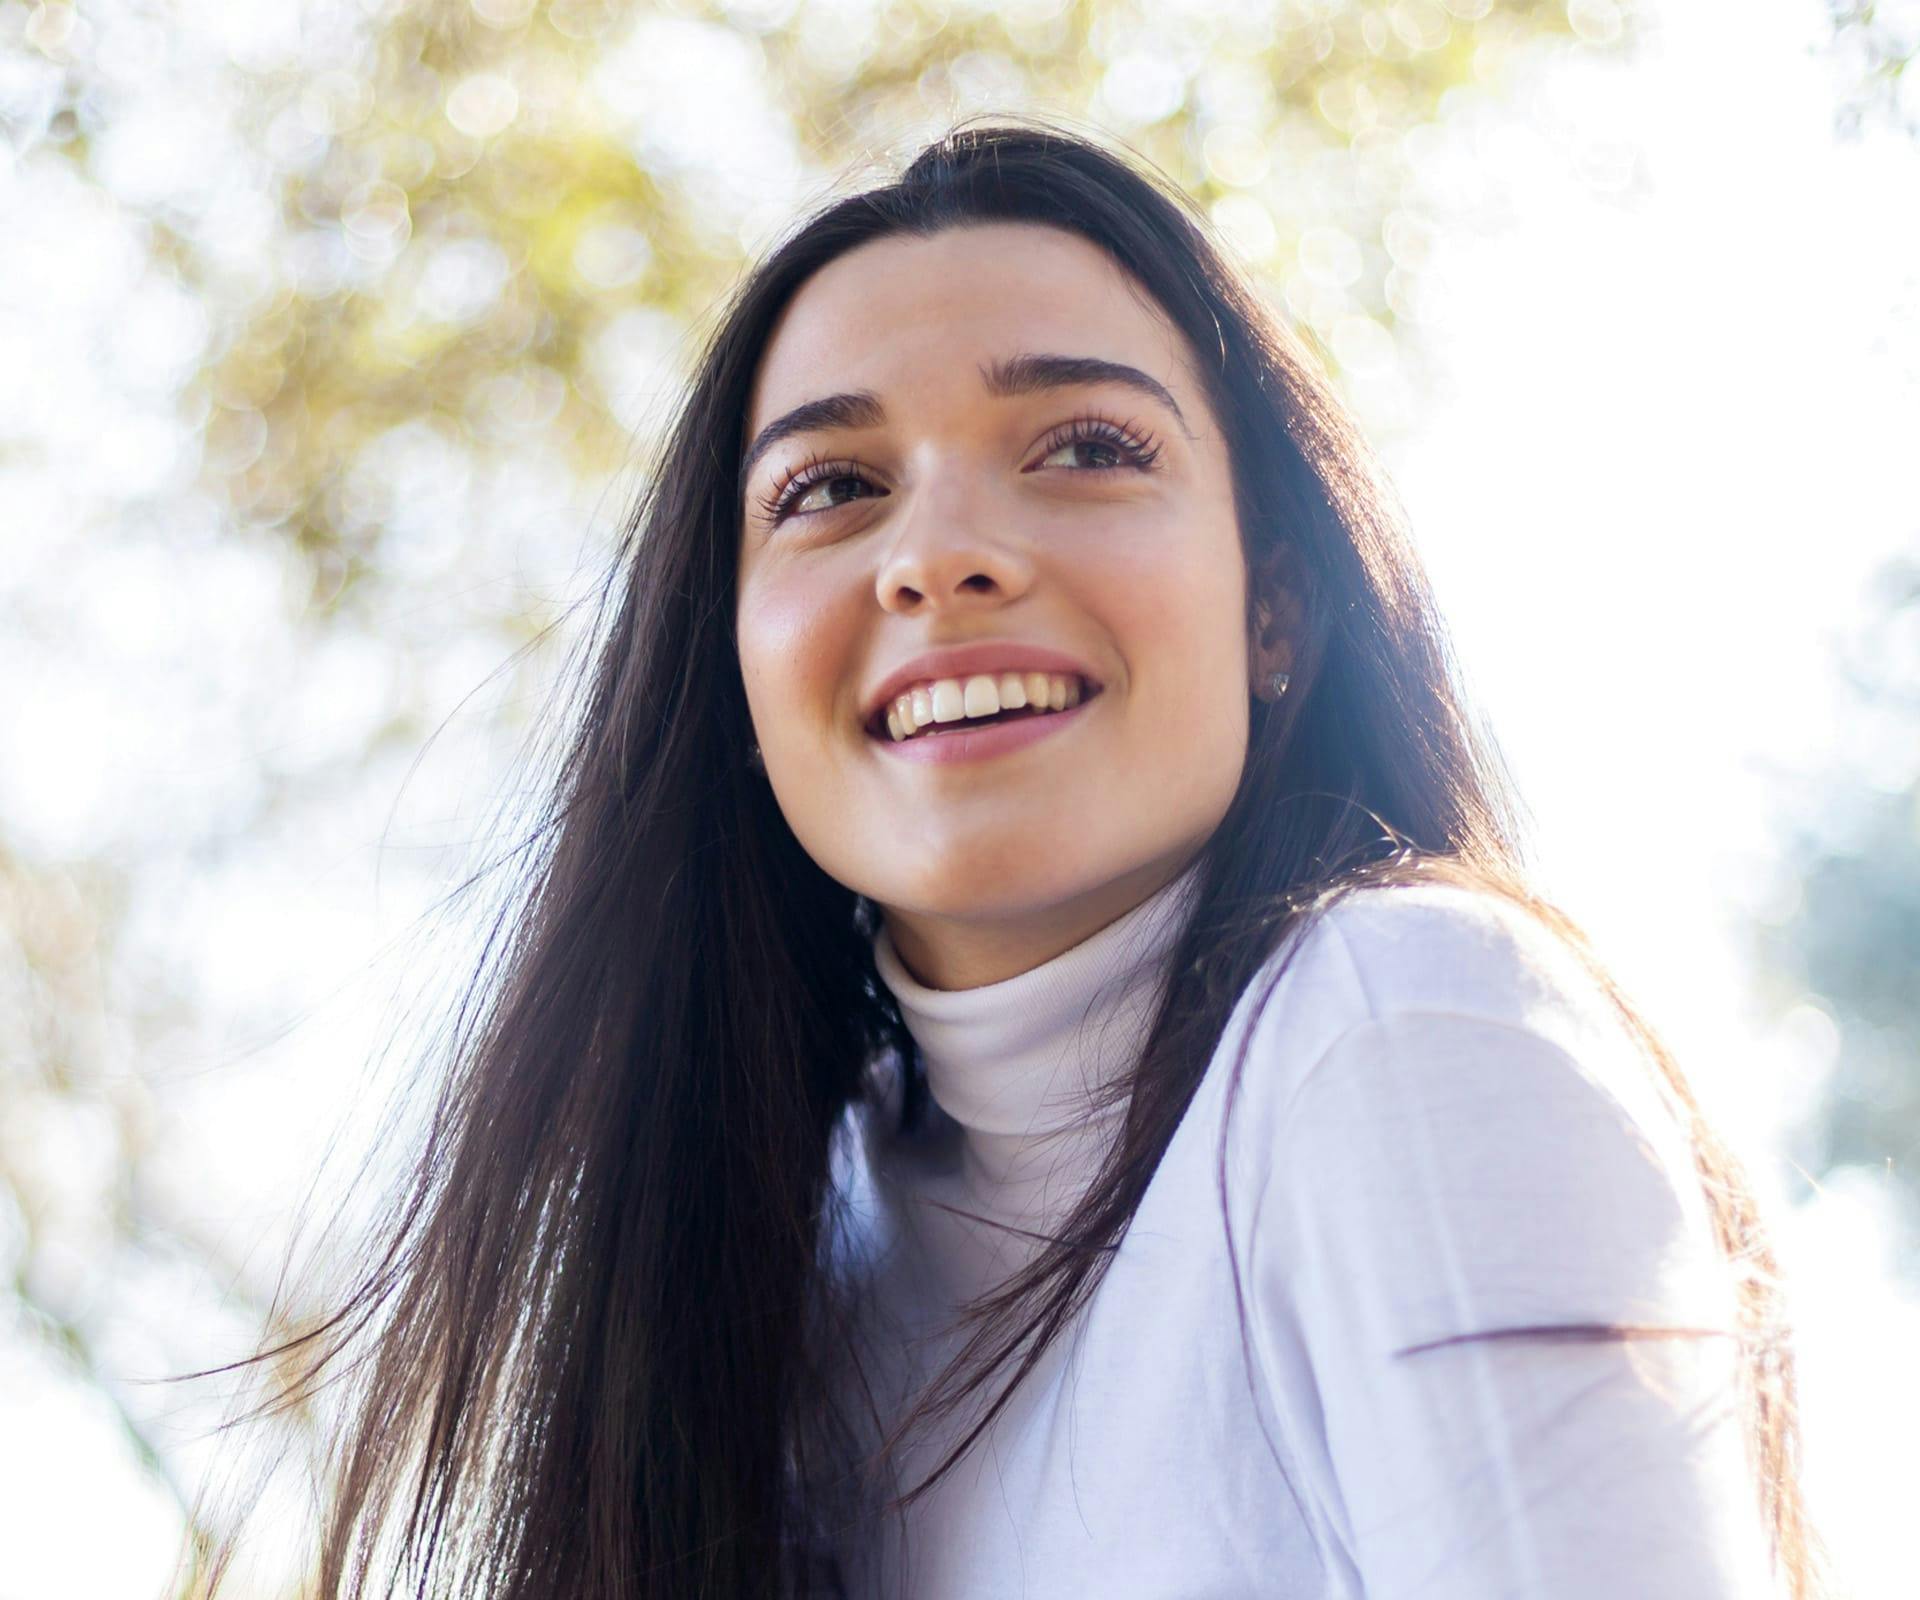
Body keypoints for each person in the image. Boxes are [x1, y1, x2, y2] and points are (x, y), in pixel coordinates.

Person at [220, 120, 1830, 1599]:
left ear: (1277, 608)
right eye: (833, 489)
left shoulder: (1401, 1025)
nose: (940, 556)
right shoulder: (772, 1251)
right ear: (735, 673)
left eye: (1085, 448)